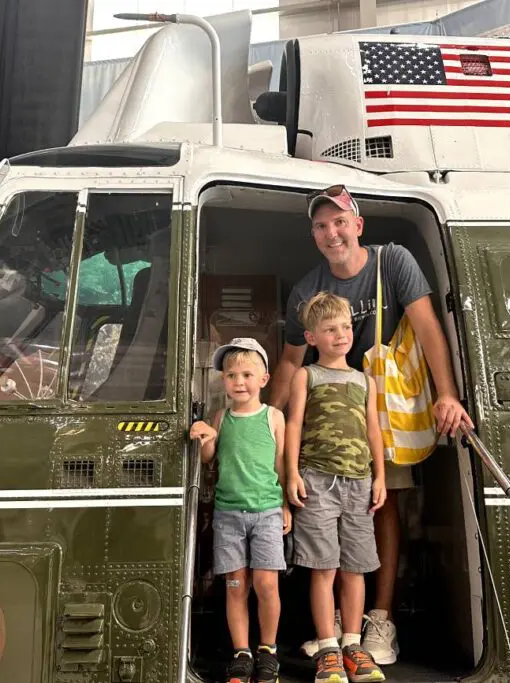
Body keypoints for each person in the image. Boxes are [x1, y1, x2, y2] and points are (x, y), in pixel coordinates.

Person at [270, 185, 473, 665]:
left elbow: (427, 328)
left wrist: (447, 393)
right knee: (322, 514)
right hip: (325, 414)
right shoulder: (307, 289)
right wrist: (265, 418)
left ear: (357, 226)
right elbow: (287, 363)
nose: (331, 232)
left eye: (339, 222)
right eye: (321, 226)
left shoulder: (393, 261)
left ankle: (378, 619)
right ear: (314, 235)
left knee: (382, 505)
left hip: (381, 405)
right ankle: (338, 622)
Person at [285, 291, 387, 683]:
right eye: (330, 329)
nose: (341, 335)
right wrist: (292, 474)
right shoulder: (305, 376)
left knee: (356, 568)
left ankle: (353, 645)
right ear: (312, 338)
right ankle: (327, 648)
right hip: (317, 482)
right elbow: (293, 425)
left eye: (345, 327)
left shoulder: (364, 381)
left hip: (359, 484)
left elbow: (373, 430)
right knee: (323, 566)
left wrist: (379, 476)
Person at [189, 338, 292, 683]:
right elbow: (208, 459)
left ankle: (268, 650)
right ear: (223, 380)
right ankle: (242, 653)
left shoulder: (274, 417)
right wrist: (204, 435)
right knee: (236, 585)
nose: (239, 381)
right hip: (228, 514)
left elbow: (281, 465)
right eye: (231, 375)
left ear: (264, 378)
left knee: (266, 584)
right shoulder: (220, 417)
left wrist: (285, 506)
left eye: (247, 374)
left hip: (266, 512)